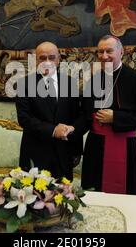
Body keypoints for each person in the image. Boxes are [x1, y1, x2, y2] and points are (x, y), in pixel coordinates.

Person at [81, 35, 136, 195]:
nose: (104, 56)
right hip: (95, 147)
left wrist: (116, 118)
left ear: (121, 52)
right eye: (100, 52)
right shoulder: (92, 81)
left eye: (109, 51)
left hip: (124, 145)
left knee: (126, 199)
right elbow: (84, 117)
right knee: (94, 196)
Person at [15, 41, 86, 180]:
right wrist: (53, 131)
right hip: (36, 154)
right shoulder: (24, 84)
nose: (47, 62)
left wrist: (77, 150)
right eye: (42, 58)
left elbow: (77, 116)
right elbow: (24, 119)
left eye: (52, 57)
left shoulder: (70, 82)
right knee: (35, 199)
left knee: (63, 198)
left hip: (64, 154)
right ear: (36, 60)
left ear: (58, 59)